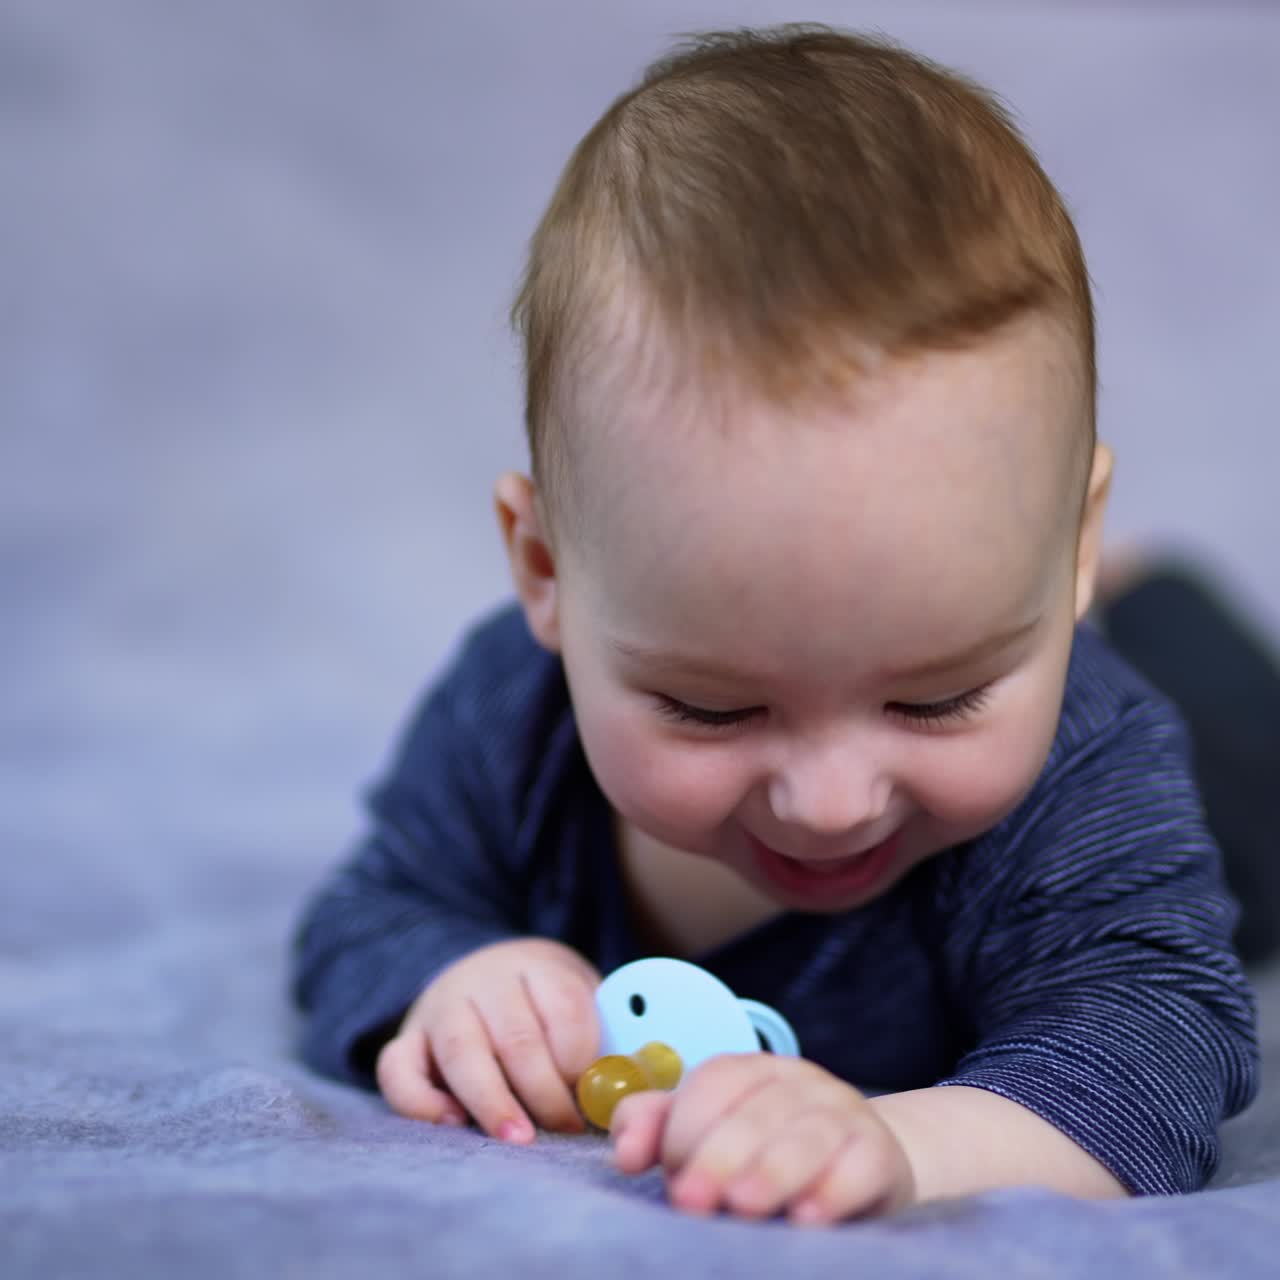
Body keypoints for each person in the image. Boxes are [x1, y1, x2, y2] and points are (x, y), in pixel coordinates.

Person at [290, 26, 1259, 1225]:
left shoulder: (1090, 761)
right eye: (712, 705)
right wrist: (450, 975)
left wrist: (899, 1141)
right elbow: (366, 912)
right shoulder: (510, 716)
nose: (830, 799)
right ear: (544, 570)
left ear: (1065, 545)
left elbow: (1154, 1044)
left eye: (935, 694)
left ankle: (1149, 598)